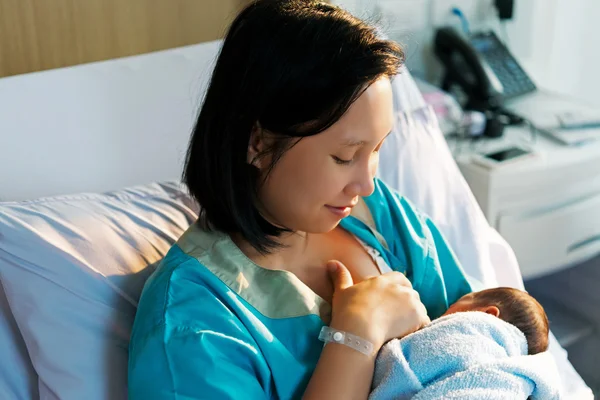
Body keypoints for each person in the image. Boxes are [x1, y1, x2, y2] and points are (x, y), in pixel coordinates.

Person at [128, 1, 473, 399]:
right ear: (257, 142)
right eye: (344, 156)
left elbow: (486, 340)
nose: (366, 184)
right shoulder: (193, 325)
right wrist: (357, 333)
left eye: (377, 149)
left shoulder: (382, 217)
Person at [369, 288, 557, 400]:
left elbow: (392, 368)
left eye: (456, 303)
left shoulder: (468, 333)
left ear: (488, 314)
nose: (444, 313)